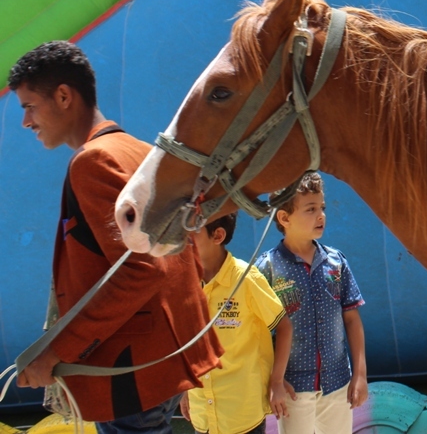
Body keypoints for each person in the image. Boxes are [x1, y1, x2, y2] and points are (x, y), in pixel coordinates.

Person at [8, 41, 222, 432]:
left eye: (29, 106)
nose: (25, 121)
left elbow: (141, 269)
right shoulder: (137, 150)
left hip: (130, 373)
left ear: (63, 96)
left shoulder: (94, 161)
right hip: (163, 361)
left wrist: (57, 352)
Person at [256, 172, 367, 434]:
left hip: (337, 384)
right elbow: (258, 334)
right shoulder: (267, 268)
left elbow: (352, 320)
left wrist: (360, 375)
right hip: (292, 388)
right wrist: (275, 381)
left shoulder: (336, 262)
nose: (321, 216)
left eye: (322, 208)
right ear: (284, 218)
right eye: (310, 209)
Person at [183, 212, 294, 434]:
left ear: (218, 235)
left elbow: (284, 326)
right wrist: (185, 390)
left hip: (243, 414)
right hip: (202, 413)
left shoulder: (246, 278)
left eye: (191, 230)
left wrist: (276, 381)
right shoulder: (185, 282)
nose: (182, 237)